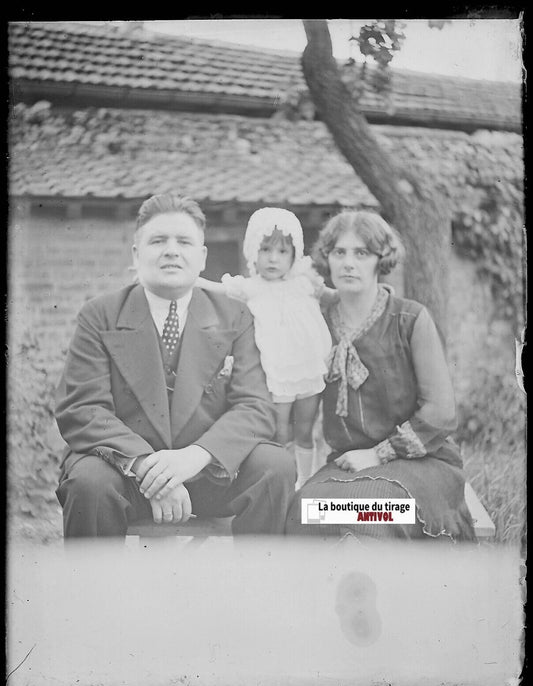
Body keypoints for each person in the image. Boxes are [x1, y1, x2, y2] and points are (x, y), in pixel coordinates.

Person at [54, 193, 295, 538]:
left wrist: (195, 457)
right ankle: (95, 589)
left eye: (184, 241)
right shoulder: (100, 315)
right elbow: (82, 408)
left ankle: (256, 586)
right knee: (88, 480)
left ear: (201, 257)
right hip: (127, 476)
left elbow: (255, 407)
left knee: (275, 465)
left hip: (210, 474)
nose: (171, 250)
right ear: (136, 254)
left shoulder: (235, 315)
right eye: (157, 241)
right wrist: (148, 469)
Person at [285, 210, 475, 541]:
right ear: (326, 259)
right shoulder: (319, 323)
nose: (348, 263)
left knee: (374, 512)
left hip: (423, 464)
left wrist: (378, 454)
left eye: (361, 253)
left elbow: (441, 413)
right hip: (347, 465)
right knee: (305, 511)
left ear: (380, 260)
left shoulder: (410, 319)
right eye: (339, 252)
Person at [196, 207, 334, 488]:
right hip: (276, 372)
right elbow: (217, 289)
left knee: (306, 430)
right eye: (265, 250)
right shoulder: (252, 287)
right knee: (280, 432)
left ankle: (306, 483)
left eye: (282, 252)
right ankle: (285, 483)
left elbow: (334, 298)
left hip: (308, 368)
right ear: (252, 252)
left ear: (294, 254)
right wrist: (191, 278)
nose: (273, 259)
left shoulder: (305, 282)